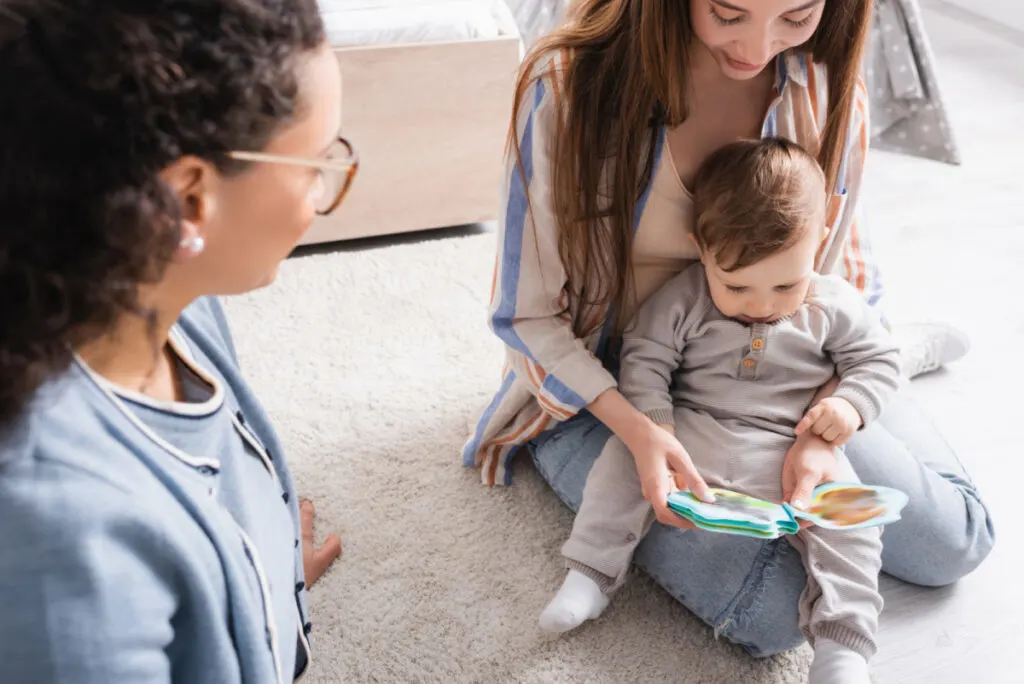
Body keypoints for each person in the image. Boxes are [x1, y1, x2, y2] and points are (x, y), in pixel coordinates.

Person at [464, 0, 995, 656]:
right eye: (728, 11)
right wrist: (639, 430)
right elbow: (525, 313)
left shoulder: (822, 88)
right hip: (611, 388)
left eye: (795, 17)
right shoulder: (566, 88)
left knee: (955, 542)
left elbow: (833, 277)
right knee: (773, 614)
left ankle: (893, 352)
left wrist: (833, 422)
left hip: (780, 377)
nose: (758, 46)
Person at [0, 1, 348, 681]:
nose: (323, 193)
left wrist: (253, 578)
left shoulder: (155, 286)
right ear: (188, 199)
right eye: (315, 164)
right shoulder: (67, 540)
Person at [539, 137, 901, 684]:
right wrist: (655, 424)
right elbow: (645, 360)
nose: (761, 305)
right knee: (620, 463)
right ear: (700, 248)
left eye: (786, 283)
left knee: (854, 524)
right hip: (690, 430)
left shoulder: (831, 304)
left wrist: (847, 408)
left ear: (821, 242)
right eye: (736, 285)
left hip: (790, 448)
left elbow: (877, 360)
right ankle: (589, 574)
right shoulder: (684, 297)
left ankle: (841, 645)